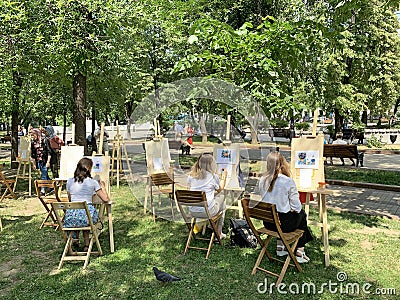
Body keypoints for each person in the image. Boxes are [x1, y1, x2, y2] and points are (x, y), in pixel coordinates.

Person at [258, 152, 313, 263]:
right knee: (302, 215)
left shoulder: (262, 180)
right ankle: (300, 250)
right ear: (282, 164)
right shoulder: (287, 181)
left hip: (268, 223)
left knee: (281, 215)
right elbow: (297, 207)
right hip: (284, 225)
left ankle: (280, 247)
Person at [63, 157, 110, 251]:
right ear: (89, 169)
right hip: (87, 217)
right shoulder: (93, 182)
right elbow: (106, 199)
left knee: (79, 215)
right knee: (87, 216)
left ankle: (75, 240)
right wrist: (103, 187)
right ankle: (86, 245)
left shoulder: (69, 181)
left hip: (70, 218)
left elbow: (70, 198)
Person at [187, 154, 227, 240]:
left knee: (214, 199)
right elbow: (220, 189)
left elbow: (189, 189)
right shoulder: (213, 176)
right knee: (223, 198)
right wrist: (224, 177)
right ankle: (218, 232)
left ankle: (211, 225)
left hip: (193, 211)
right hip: (207, 212)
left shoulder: (191, 176)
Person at [31, 128, 52, 195]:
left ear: (37, 134)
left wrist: (48, 162)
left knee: (43, 174)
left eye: (33, 135)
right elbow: (33, 154)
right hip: (38, 161)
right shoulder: (33, 143)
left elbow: (49, 152)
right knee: (44, 174)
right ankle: (52, 185)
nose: (32, 136)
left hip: (45, 160)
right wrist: (34, 164)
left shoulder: (44, 140)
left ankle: (43, 190)